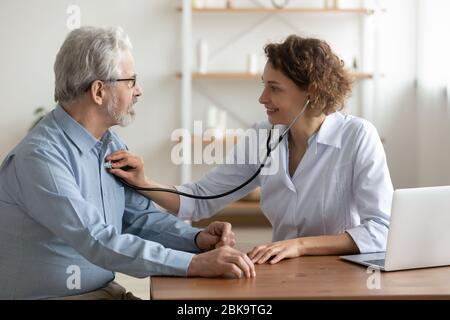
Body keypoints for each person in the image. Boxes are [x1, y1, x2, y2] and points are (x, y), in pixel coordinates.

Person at [0, 26, 255, 300]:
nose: (139, 91)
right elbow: (95, 239)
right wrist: (193, 264)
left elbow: (139, 219)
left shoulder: (111, 145)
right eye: (131, 81)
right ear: (99, 91)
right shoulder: (40, 158)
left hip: (105, 292)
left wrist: (195, 240)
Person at [107, 35, 394, 265]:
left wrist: (301, 245)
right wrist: (143, 183)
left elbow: (381, 230)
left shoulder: (357, 137)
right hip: (284, 272)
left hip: (344, 275)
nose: (262, 97)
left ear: (311, 92)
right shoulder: (263, 137)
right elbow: (201, 199)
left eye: (274, 88)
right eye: (263, 86)